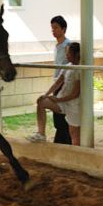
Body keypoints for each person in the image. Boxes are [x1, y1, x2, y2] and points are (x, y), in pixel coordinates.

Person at [27, 42, 81, 145]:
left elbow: (75, 94)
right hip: (61, 102)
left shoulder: (80, 69)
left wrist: (57, 99)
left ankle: (75, 156)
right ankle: (41, 134)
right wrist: (46, 95)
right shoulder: (67, 66)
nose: (66, 55)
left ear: (76, 54)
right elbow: (58, 82)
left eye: (68, 53)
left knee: (74, 135)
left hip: (73, 106)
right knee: (41, 101)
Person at [49, 15, 72, 145]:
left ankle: (64, 139)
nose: (53, 31)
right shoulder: (58, 45)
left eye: (56, 28)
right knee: (57, 112)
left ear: (63, 29)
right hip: (57, 81)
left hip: (64, 82)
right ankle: (60, 138)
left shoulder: (67, 45)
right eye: (52, 28)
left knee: (61, 111)